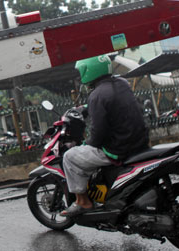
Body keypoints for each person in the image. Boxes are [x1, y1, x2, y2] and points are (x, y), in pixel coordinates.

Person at [60, 55, 149, 217]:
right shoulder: (122, 83)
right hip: (139, 142)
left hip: (117, 149)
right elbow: (114, 102)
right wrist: (86, 107)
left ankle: (83, 202)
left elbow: (98, 135)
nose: (81, 76)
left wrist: (86, 143)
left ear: (89, 71)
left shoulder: (97, 95)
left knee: (70, 156)